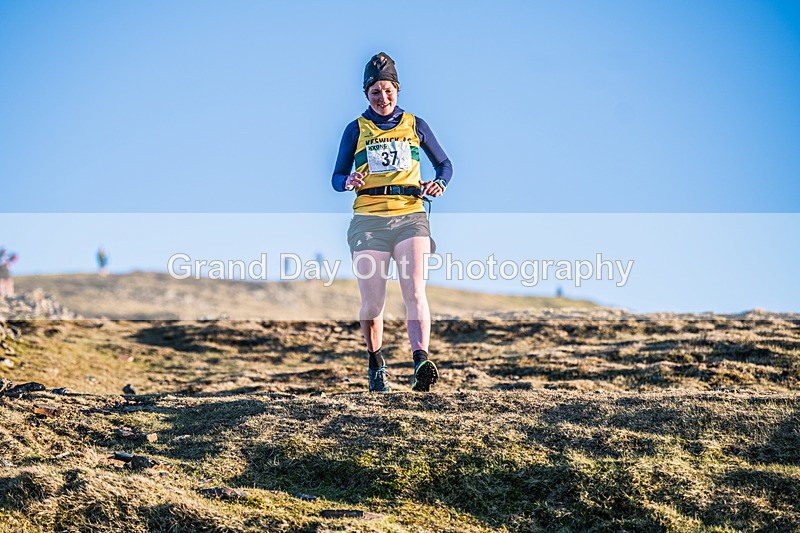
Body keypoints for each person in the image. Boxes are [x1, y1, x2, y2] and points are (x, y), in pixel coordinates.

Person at [332, 52, 453, 392]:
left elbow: (445, 164)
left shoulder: (416, 124)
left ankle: (421, 361)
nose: (382, 98)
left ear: (397, 90)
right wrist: (348, 181)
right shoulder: (355, 129)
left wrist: (438, 183)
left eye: (388, 91)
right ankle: (376, 363)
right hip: (368, 220)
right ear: (366, 94)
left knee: (414, 290)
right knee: (373, 303)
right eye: (375, 93)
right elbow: (336, 176)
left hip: (410, 214)